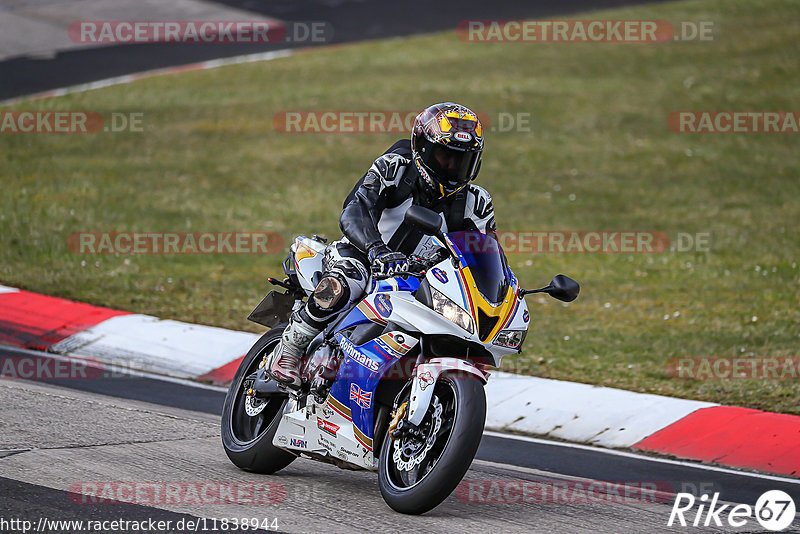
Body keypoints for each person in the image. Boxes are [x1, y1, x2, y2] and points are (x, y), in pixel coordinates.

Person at [267, 102, 496, 388]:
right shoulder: (395, 168)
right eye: (444, 157)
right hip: (365, 255)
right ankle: (291, 348)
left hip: (420, 279)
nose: (452, 167)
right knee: (347, 278)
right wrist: (377, 250)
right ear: (422, 149)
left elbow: (486, 253)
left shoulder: (478, 204)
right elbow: (355, 210)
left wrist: (501, 291)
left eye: (462, 161)